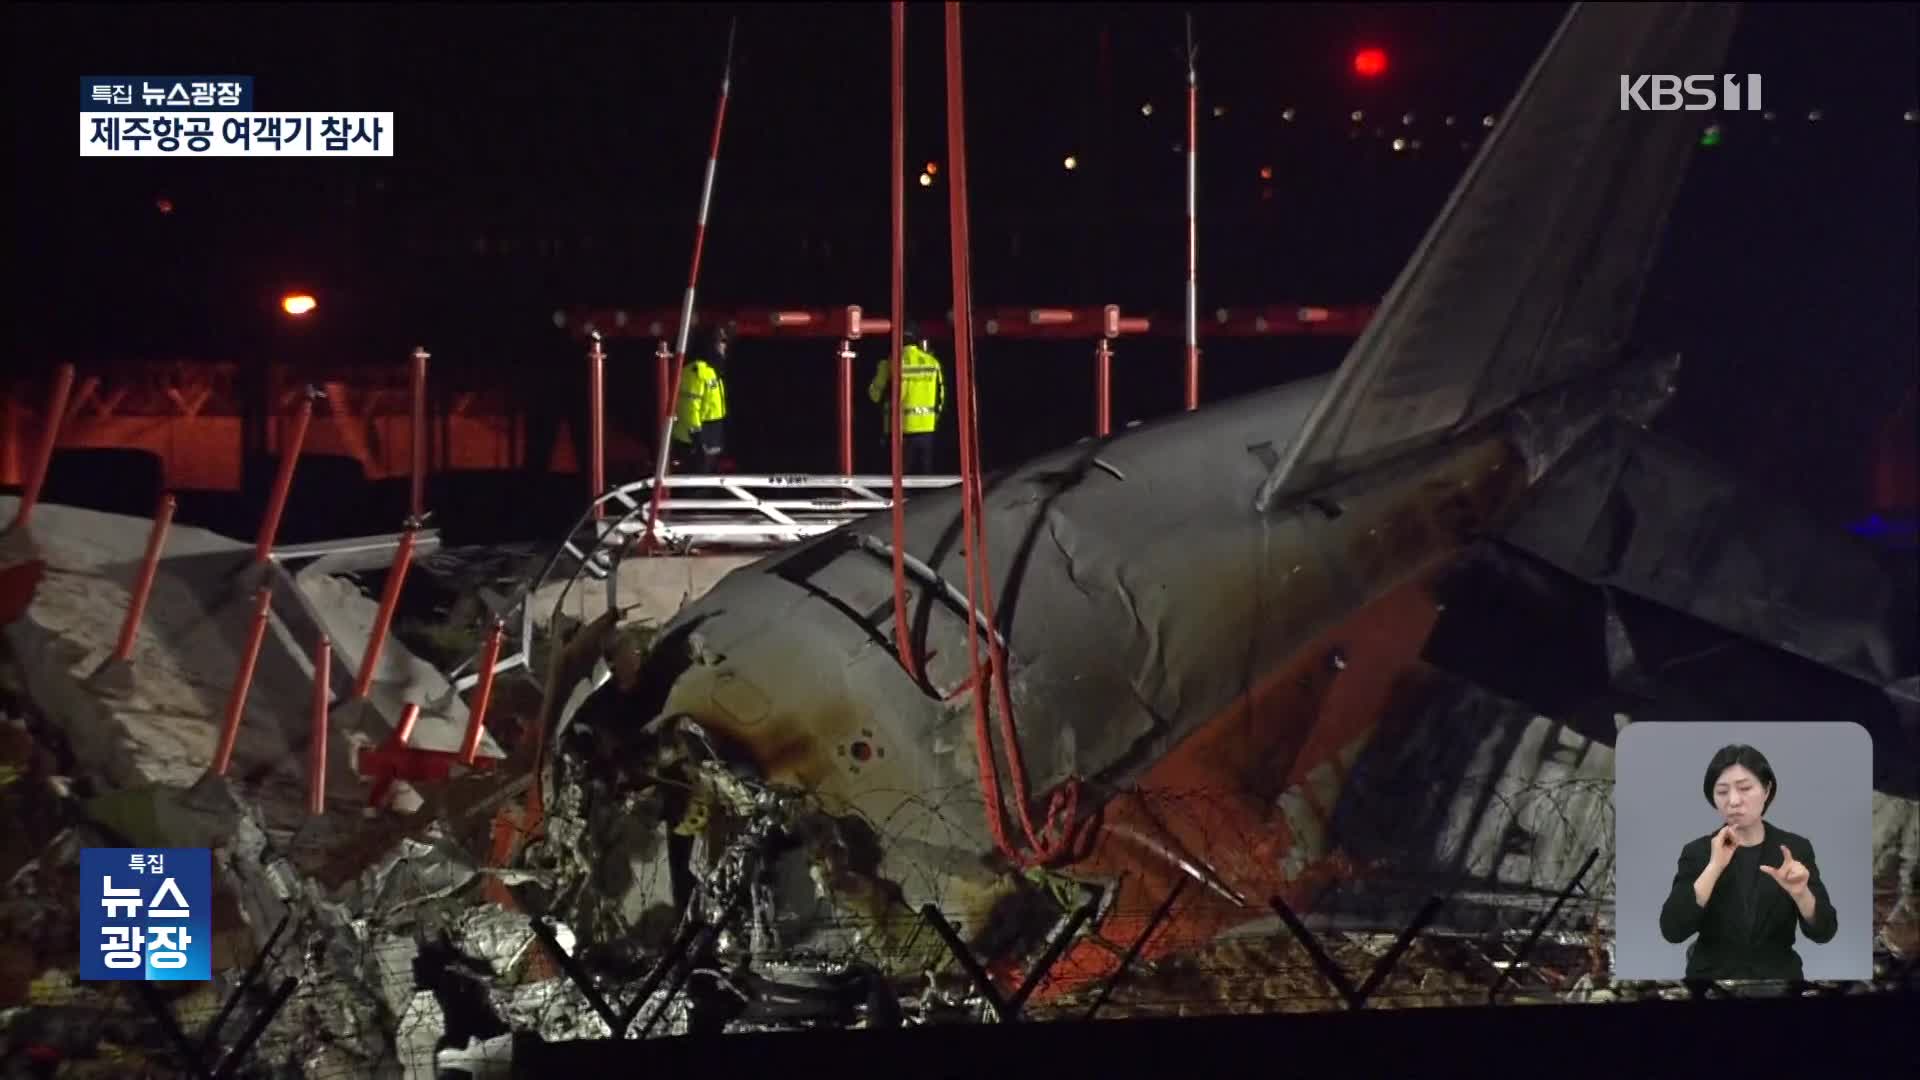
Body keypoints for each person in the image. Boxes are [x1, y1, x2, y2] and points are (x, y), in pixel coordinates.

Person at [1657, 743, 1839, 981]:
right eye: (1722, 792)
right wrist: (1714, 867)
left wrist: (1801, 893)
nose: (1733, 801)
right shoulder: (1698, 852)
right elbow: (1672, 930)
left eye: (1744, 788)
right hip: (1710, 983)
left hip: (1779, 982)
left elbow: (1825, 931)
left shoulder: (1795, 849)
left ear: (1767, 790)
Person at [867, 322, 945, 475]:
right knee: (926, 481)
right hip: (927, 429)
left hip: (899, 430)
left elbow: (874, 396)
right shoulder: (932, 362)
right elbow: (940, 397)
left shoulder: (891, 363)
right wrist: (934, 418)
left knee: (901, 481)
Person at [672, 325, 730, 473]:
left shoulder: (713, 370)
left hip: (711, 435)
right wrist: (697, 437)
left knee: (707, 480)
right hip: (694, 439)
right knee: (696, 483)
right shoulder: (696, 371)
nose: (725, 346)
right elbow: (688, 407)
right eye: (721, 341)